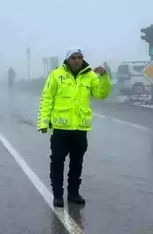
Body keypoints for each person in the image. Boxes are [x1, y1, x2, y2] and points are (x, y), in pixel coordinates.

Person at [37, 48, 112, 207]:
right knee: (57, 162)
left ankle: (73, 193)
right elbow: (46, 99)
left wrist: (104, 76)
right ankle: (58, 195)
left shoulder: (90, 76)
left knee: (77, 163)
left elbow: (101, 94)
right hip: (60, 129)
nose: (77, 60)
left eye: (79, 57)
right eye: (73, 58)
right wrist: (43, 122)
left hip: (80, 129)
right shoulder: (56, 75)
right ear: (68, 60)